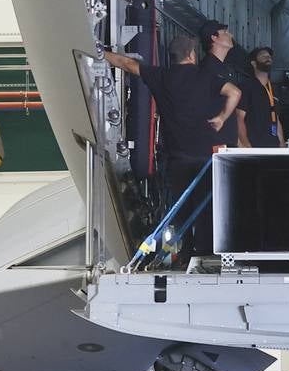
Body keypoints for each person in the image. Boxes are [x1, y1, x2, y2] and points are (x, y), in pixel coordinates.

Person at [102, 34, 240, 257]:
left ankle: (184, 253)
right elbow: (235, 92)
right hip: (206, 158)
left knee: (181, 208)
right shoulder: (206, 77)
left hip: (178, 157)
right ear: (192, 55)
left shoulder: (162, 77)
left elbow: (126, 64)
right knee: (206, 209)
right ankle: (206, 253)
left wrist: (101, 52)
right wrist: (222, 118)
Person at [198, 20, 243, 148]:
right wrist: (222, 118)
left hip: (227, 140)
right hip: (215, 140)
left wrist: (239, 142)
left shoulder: (225, 68)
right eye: (225, 32)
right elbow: (235, 93)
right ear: (214, 37)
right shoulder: (208, 66)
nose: (231, 35)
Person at [236, 46, 284, 148]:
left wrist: (282, 144)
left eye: (269, 56)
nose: (268, 57)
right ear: (253, 63)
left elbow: (276, 119)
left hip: (273, 146)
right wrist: (246, 145)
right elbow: (239, 118)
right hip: (255, 146)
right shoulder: (246, 87)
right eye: (263, 56)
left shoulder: (272, 89)